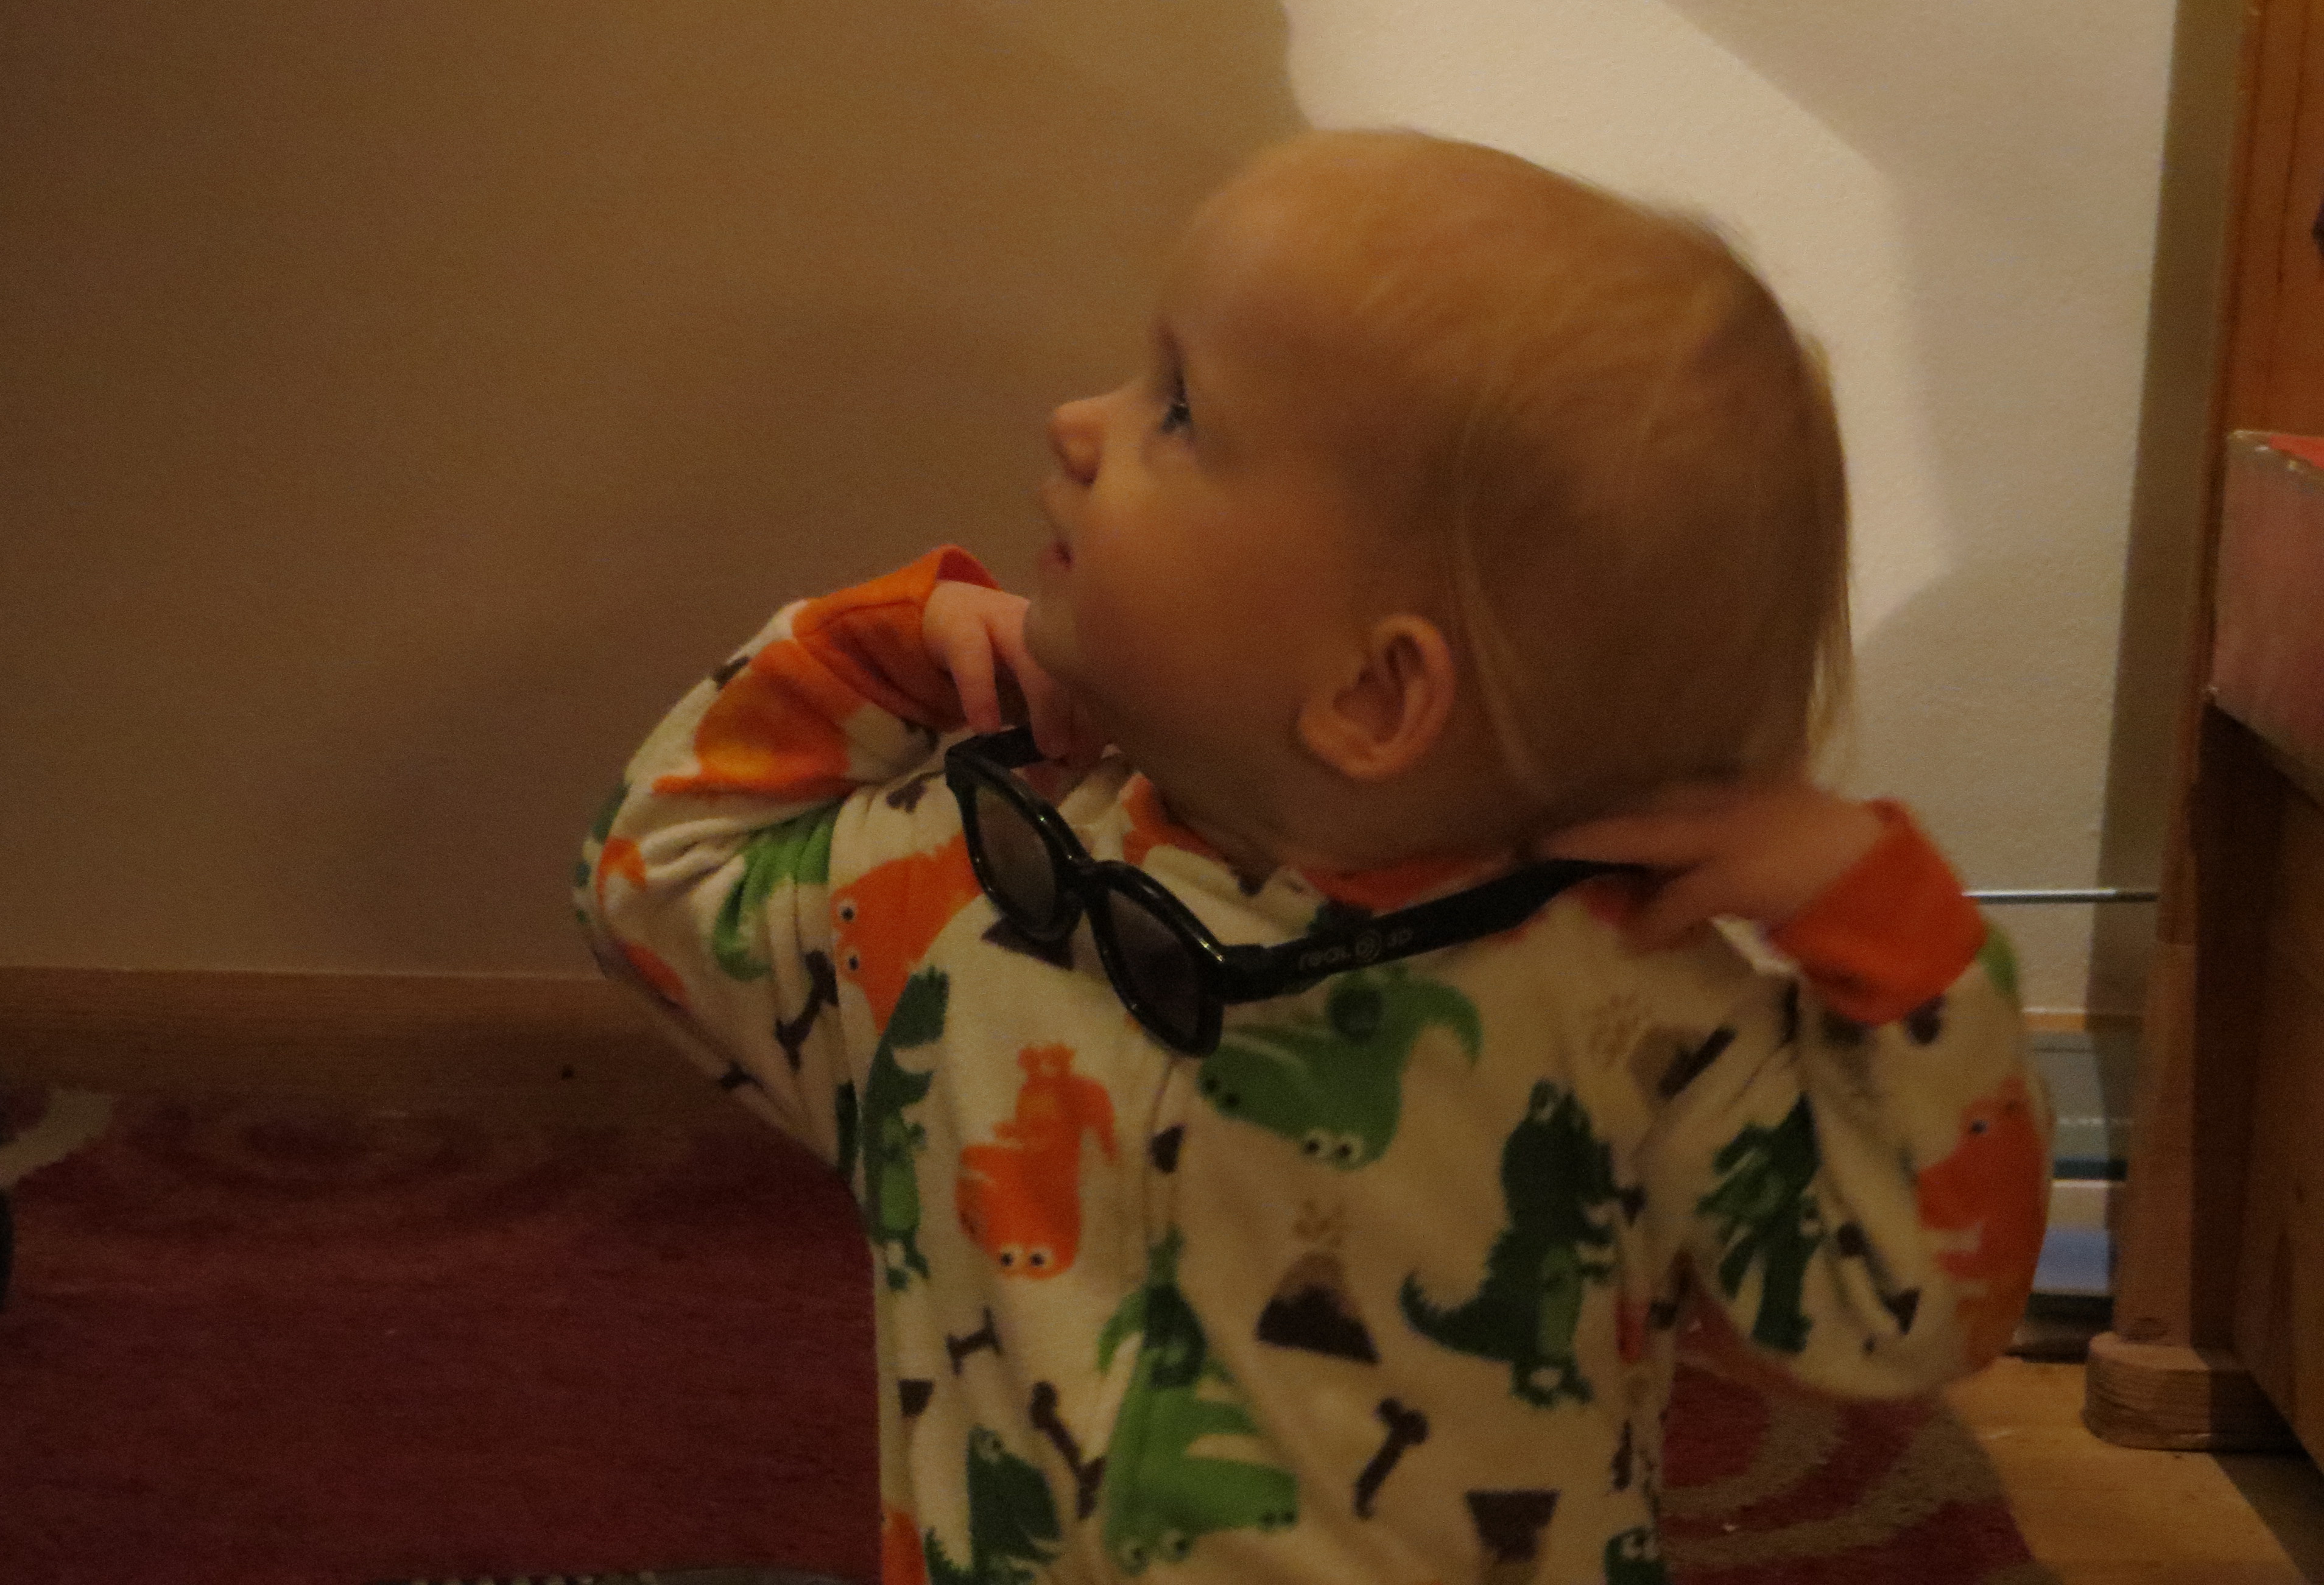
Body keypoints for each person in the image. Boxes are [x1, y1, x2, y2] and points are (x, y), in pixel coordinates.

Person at [573, 130, 2050, 1585]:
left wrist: (1889, 944)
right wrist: (869, 659)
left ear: (1372, 694)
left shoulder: (1622, 1012)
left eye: (1177, 414)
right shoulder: (969, 898)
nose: (1075, 423)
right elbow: (658, 879)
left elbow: (1907, 1306)